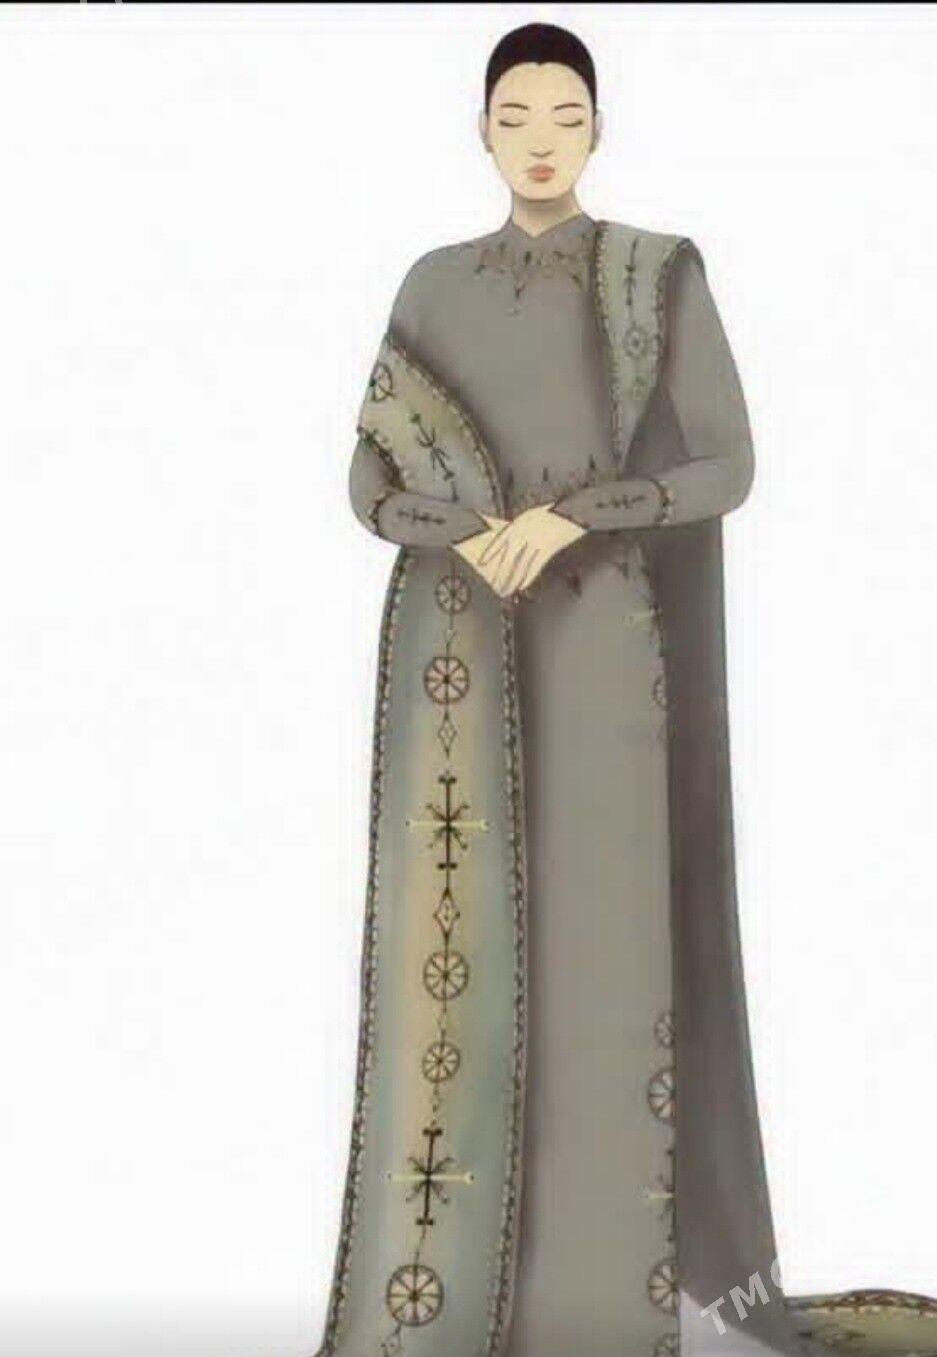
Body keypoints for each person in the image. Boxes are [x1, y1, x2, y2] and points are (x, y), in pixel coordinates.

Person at [315, 23, 937, 1357]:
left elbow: (726, 464)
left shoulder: (655, 273)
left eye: (566, 115)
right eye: (515, 115)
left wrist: (575, 516)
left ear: (598, 129)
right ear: (480, 130)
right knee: (466, 959)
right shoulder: (432, 284)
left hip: (604, 646)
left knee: (604, 962)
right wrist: (465, 532)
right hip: (457, 660)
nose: (540, 140)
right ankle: (455, 1304)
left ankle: (597, 1312)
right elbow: (367, 481)